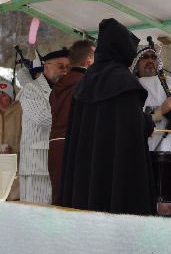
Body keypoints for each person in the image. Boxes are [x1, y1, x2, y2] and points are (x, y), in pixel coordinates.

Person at [58, 19, 155, 215]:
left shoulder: (85, 81)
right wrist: (147, 122)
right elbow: (133, 127)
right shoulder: (124, 82)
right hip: (115, 173)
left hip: (86, 174)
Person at [19, 47, 69, 204]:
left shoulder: (66, 90)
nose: (65, 71)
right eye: (60, 66)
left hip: (59, 166)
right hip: (36, 168)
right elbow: (42, 118)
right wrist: (74, 118)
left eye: (68, 67)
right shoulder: (31, 89)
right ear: (46, 67)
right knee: (35, 215)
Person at [48, 39, 95, 204]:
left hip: (55, 144)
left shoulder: (58, 84)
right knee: (79, 200)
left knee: (59, 198)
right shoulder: (87, 83)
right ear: (88, 61)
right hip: (76, 144)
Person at [131, 42, 171, 152]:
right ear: (136, 62)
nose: (150, 60)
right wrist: (161, 111)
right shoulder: (131, 87)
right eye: (145, 57)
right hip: (145, 150)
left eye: (153, 57)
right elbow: (134, 122)